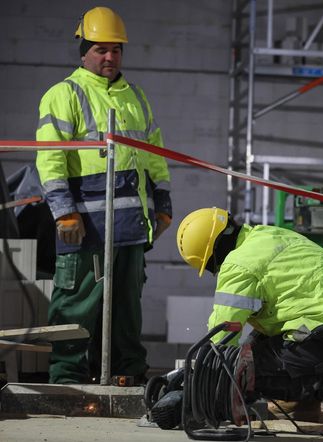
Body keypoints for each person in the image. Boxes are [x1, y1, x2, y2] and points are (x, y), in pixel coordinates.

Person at [35, 6, 172, 384]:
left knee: (127, 309)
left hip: (129, 227)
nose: (110, 57)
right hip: (85, 227)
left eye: (116, 50)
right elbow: (50, 159)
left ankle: (129, 374)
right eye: (100, 50)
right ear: (84, 51)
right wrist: (63, 212)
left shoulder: (136, 98)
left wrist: (162, 207)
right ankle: (66, 379)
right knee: (77, 305)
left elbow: (156, 158)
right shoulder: (65, 94)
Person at [176, 207, 323, 425]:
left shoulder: (238, 265)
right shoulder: (269, 235)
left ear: (212, 255)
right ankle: (301, 404)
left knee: (242, 367)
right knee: (257, 343)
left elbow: (222, 333)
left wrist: (202, 377)